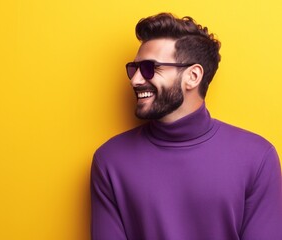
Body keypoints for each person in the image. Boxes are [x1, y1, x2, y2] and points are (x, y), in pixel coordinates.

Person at [90, 13, 282, 240]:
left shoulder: (257, 158)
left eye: (150, 68)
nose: (135, 80)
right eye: (135, 69)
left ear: (193, 76)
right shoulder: (110, 160)